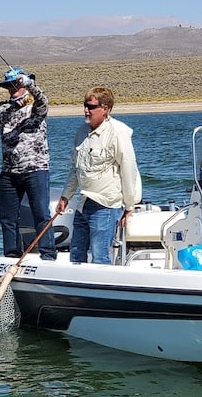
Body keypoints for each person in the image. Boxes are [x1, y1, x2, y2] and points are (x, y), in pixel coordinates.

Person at [55, 86, 141, 264]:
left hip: (106, 205)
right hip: (84, 202)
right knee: (76, 253)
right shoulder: (81, 132)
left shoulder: (118, 132)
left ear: (105, 109)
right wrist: (66, 195)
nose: (87, 110)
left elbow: (128, 169)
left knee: (100, 255)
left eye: (92, 107)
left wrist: (129, 206)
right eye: (85, 105)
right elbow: (75, 168)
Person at [0, 67, 57, 260]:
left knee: (41, 213)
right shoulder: (4, 108)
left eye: (17, 85)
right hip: (9, 172)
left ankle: (48, 254)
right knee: (8, 218)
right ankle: (12, 255)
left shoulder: (37, 108)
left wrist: (29, 84)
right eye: (10, 86)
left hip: (35, 169)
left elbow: (43, 101)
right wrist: (15, 105)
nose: (13, 89)